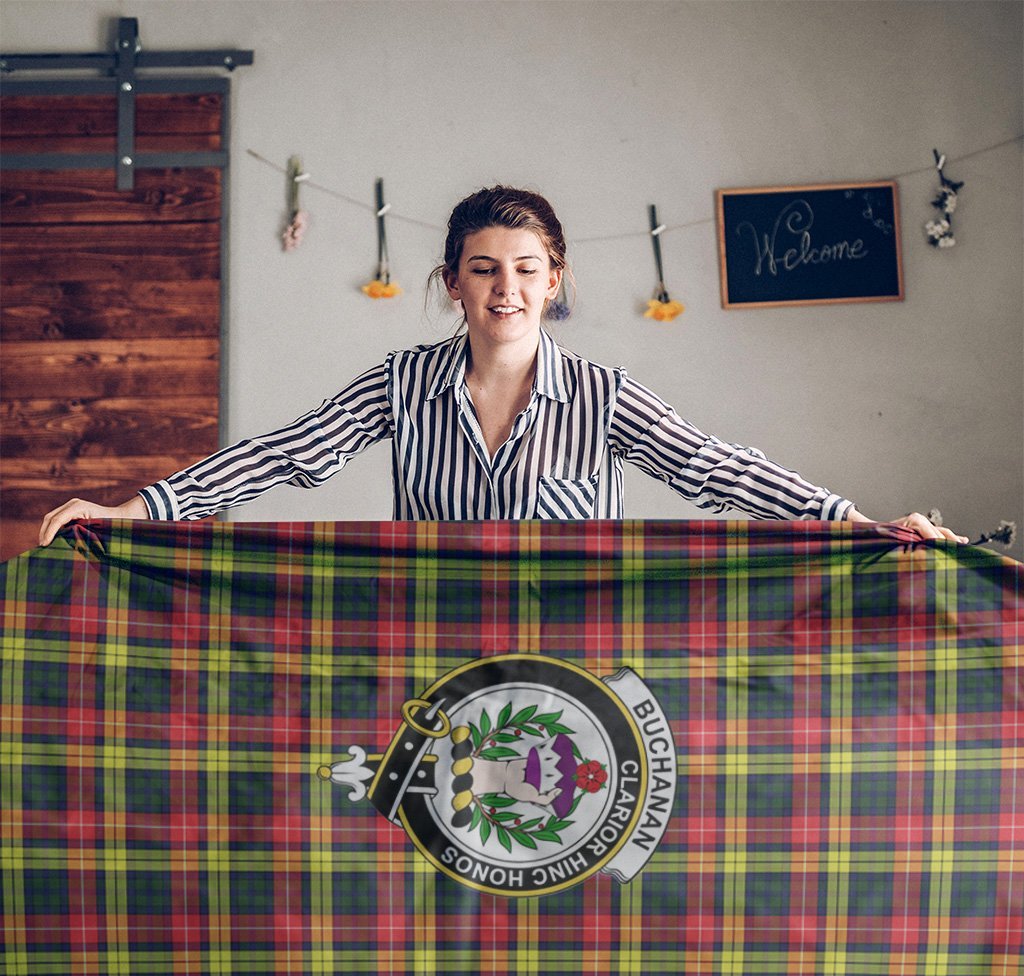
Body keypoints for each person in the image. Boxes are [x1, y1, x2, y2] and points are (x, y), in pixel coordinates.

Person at [39, 186, 967, 547]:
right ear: (453, 283)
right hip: (430, 655)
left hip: (577, 662)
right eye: (484, 269)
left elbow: (717, 467)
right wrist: (136, 511)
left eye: (526, 270)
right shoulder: (401, 382)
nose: (506, 289)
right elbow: (284, 456)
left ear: (555, 280)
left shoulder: (604, 397)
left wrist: (854, 522)